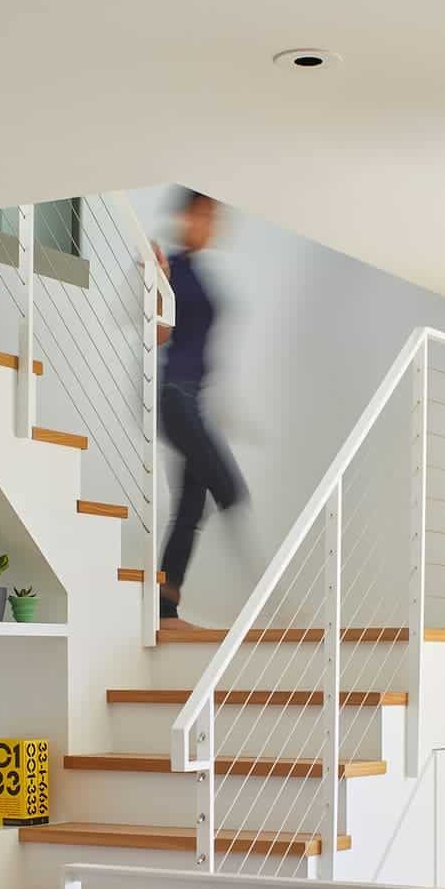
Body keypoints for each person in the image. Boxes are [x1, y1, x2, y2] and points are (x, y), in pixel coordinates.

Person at [154, 190, 246, 628]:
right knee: (228, 486)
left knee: (192, 505)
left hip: (195, 398)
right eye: (205, 215)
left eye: (215, 218)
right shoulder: (167, 268)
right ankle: (262, 583)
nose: (211, 226)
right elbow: (154, 332)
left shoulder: (197, 271)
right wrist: (155, 285)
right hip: (174, 394)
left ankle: (165, 605)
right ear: (185, 217)